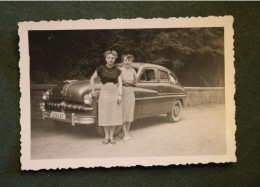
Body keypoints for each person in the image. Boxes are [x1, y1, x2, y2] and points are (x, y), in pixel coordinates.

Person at [90, 50, 123, 144]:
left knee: (113, 115)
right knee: (105, 115)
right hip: (104, 93)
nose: (110, 59)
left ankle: (111, 136)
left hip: (114, 93)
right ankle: (106, 136)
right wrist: (93, 90)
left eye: (112, 58)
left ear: (115, 59)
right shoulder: (100, 69)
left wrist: (120, 95)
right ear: (105, 59)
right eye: (108, 58)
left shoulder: (118, 70)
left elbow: (120, 83)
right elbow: (92, 79)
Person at [119, 54, 137, 141]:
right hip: (122, 92)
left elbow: (136, 83)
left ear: (131, 62)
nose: (127, 62)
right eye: (125, 60)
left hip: (130, 92)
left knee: (129, 112)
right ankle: (124, 133)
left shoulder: (133, 71)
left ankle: (127, 131)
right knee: (123, 113)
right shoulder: (119, 70)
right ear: (123, 61)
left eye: (129, 60)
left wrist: (131, 84)